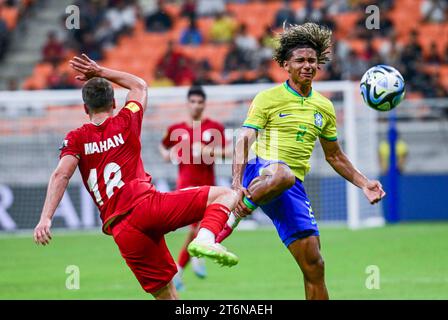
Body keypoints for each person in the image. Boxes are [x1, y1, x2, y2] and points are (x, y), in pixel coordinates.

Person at [33, 54, 240, 300]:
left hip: (122, 231)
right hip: (149, 207)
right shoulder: (126, 119)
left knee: (168, 298)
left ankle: (200, 243)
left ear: (85, 108)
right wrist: (99, 71)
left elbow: (61, 175)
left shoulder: (76, 138)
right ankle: (205, 239)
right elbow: (139, 85)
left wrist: (45, 218)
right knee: (226, 195)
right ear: (113, 104)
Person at [216, 23, 386, 300]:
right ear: (286, 64)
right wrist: (236, 184)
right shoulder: (268, 98)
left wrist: (364, 183)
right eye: (300, 61)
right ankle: (232, 216)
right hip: (260, 170)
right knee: (283, 175)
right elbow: (243, 139)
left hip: (291, 185)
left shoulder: (324, 106)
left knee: (315, 265)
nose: (307, 65)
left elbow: (334, 155)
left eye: (312, 61)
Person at [159, 86, 231, 291]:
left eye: (200, 102)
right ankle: (192, 261)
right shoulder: (176, 129)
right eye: (193, 102)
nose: (196, 105)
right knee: (199, 229)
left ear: (204, 104)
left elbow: (228, 151)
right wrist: (165, 154)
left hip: (208, 186)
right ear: (187, 103)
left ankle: (182, 269)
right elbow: (162, 145)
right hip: (185, 186)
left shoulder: (214, 127)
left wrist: (209, 150)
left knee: (199, 229)